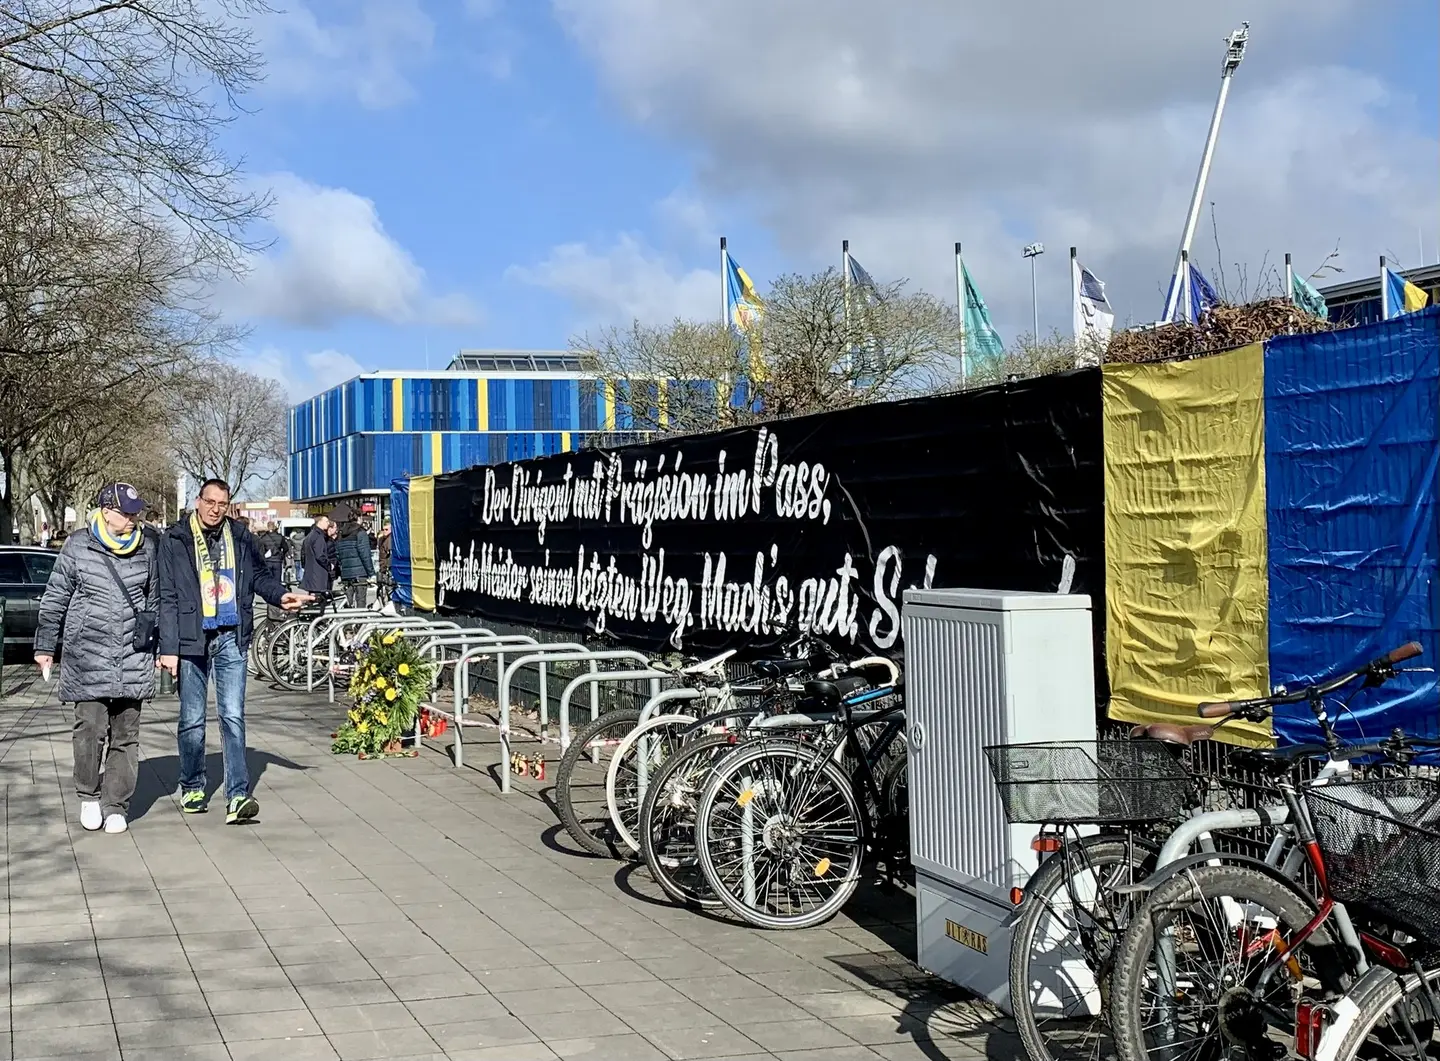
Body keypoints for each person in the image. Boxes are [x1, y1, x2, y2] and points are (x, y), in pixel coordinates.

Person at [157, 478, 310, 824]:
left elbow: (258, 577)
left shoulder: (240, 537)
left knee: (233, 716)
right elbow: (166, 595)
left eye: (221, 504)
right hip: (191, 638)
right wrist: (168, 648)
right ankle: (193, 784)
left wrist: (280, 595)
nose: (215, 509)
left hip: (231, 635)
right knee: (192, 719)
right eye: (209, 502)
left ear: (228, 506)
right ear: (198, 502)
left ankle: (238, 794)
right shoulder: (175, 539)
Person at [33, 483, 159, 834]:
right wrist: (45, 647)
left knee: (126, 735)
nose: (134, 518)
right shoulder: (78, 544)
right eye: (127, 512)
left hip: (133, 655)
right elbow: (56, 595)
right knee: (89, 730)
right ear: (106, 511)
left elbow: (156, 600)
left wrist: (164, 649)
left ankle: (116, 803)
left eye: (137, 512)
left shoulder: (148, 545)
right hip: (86, 654)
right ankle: (89, 795)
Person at [334, 517, 375, 608]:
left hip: (346, 574)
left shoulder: (341, 534)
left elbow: (337, 553)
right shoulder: (360, 532)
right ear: (359, 518)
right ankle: (360, 621)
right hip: (360, 573)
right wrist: (371, 573)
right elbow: (365, 554)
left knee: (347, 602)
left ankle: (347, 621)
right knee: (360, 601)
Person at [299, 516, 334, 594]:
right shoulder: (318, 537)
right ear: (320, 522)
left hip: (311, 574)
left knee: (313, 600)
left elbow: (303, 554)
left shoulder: (310, 536)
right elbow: (320, 555)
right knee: (319, 601)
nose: (328, 524)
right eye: (326, 521)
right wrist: (329, 565)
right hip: (318, 576)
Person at [255, 521, 290, 587]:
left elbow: (260, 551)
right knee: (277, 581)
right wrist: (281, 555)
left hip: (267, 561)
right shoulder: (280, 537)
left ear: (267, 527)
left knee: (268, 580)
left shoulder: (263, 538)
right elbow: (286, 548)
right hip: (277, 561)